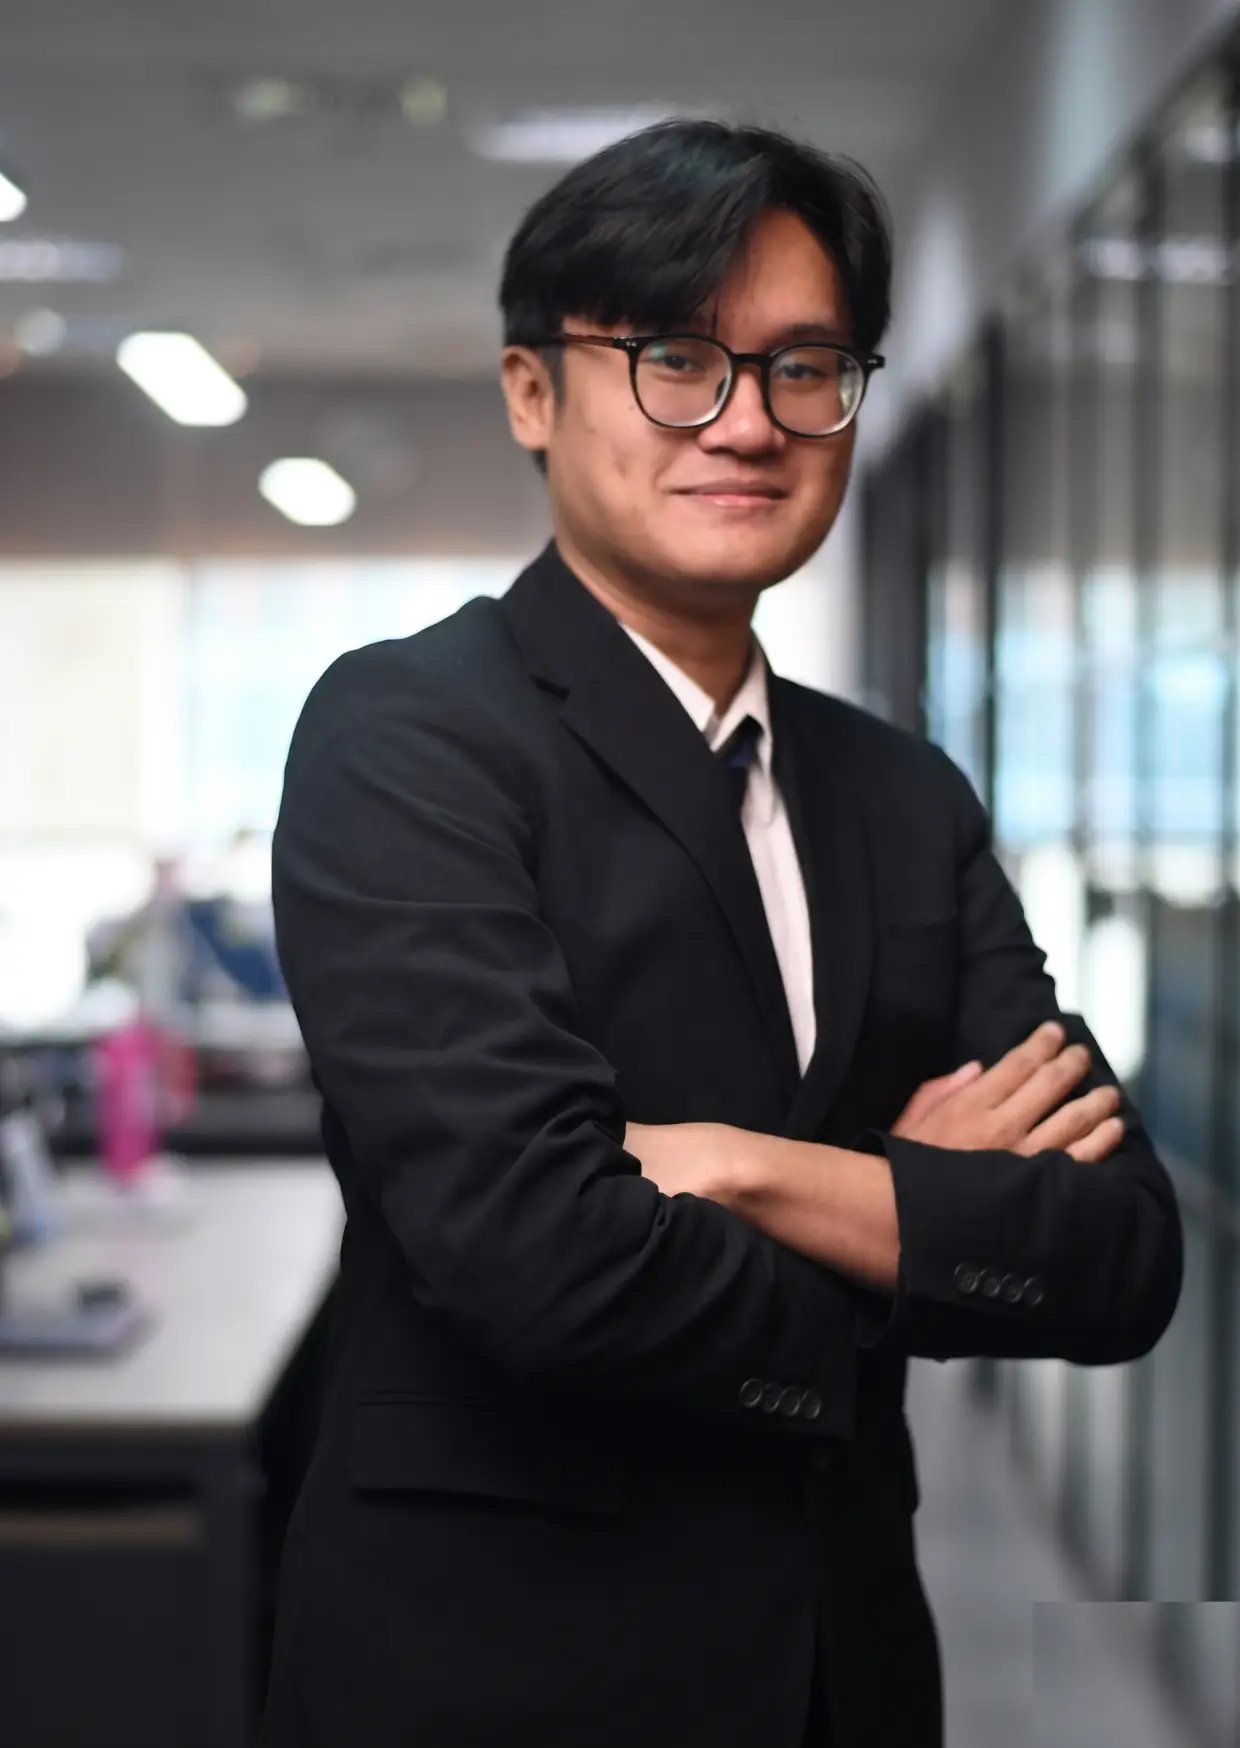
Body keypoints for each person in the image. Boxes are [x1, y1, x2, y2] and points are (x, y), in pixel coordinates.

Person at [260, 121, 1182, 1748]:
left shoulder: (903, 796)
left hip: (846, 1677)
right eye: (676, 358)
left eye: (805, 367)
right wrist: (908, 1209)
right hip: (497, 1680)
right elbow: (540, 1260)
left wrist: (748, 1171)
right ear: (532, 391)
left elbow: (1119, 1253)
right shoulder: (410, 737)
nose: (748, 421)